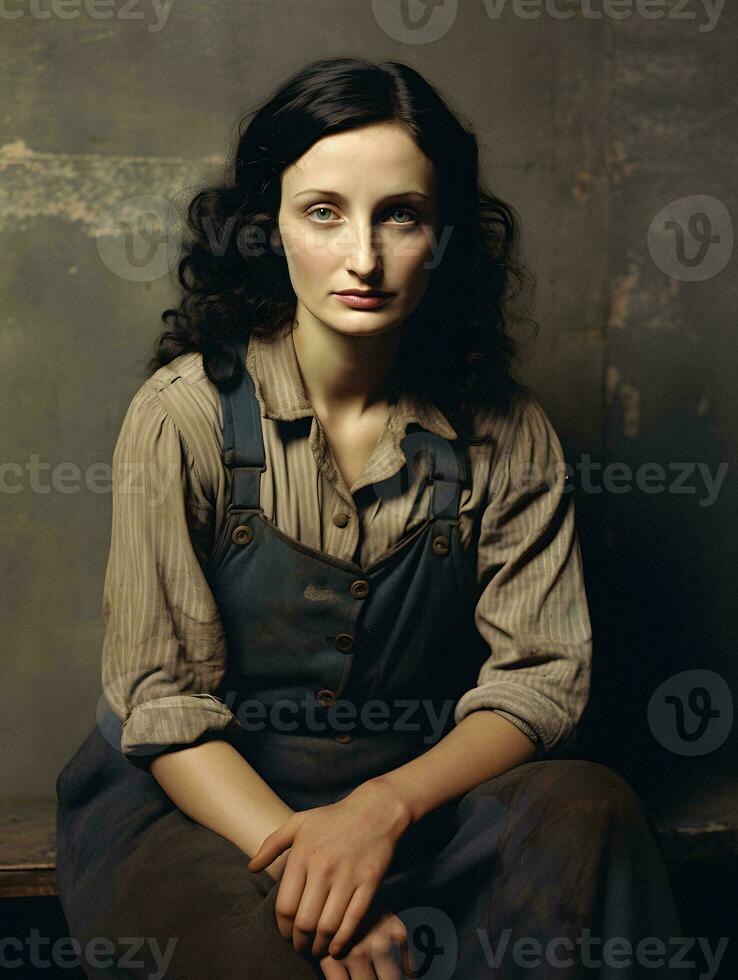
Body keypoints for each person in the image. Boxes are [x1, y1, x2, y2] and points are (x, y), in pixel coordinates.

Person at [56, 57, 684, 979]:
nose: (363, 257)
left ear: (444, 235)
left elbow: (541, 683)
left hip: (416, 806)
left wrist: (379, 812)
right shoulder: (180, 416)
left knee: (591, 807)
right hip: (208, 810)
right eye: (323, 212)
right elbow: (164, 707)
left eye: (401, 214)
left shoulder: (506, 433)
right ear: (268, 226)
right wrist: (309, 865)